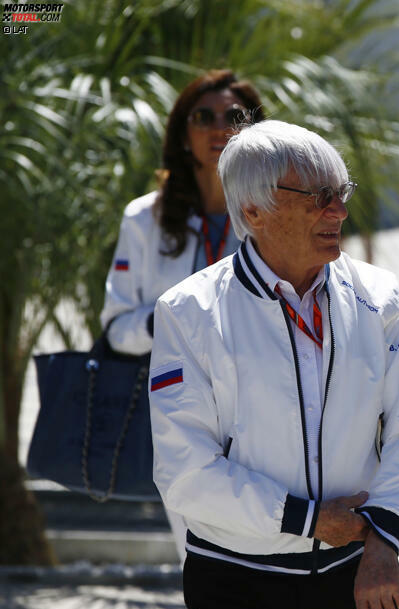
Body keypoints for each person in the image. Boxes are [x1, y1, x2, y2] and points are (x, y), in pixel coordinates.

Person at [148, 119, 399, 609]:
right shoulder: (188, 312)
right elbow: (184, 471)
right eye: (316, 197)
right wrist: (309, 520)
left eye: (340, 193)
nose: (338, 212)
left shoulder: (378, 294)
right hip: (236, 584)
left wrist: (384, 540)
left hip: (357, 574)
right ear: (252, 212)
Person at [100, 69, 265, 563]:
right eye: (204, 116)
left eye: (235, 116)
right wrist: (168, 320)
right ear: (182, 134)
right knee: (204, 564)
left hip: (268, 408)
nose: (220, 128)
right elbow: (115, 328)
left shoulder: (276, 214)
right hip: (181, 419)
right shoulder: (143, 220)